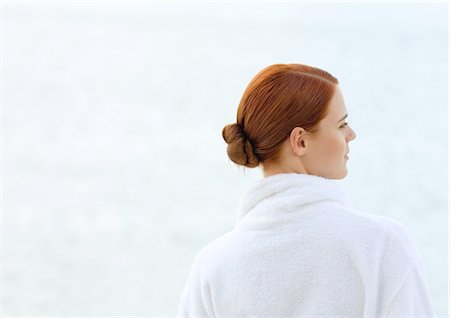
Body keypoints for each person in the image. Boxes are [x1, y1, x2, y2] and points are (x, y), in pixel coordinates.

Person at [176, 63, 436, 317]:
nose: (351, 134)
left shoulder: (212, 266)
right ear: (300, 141)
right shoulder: (380, 246)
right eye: (341, 124)